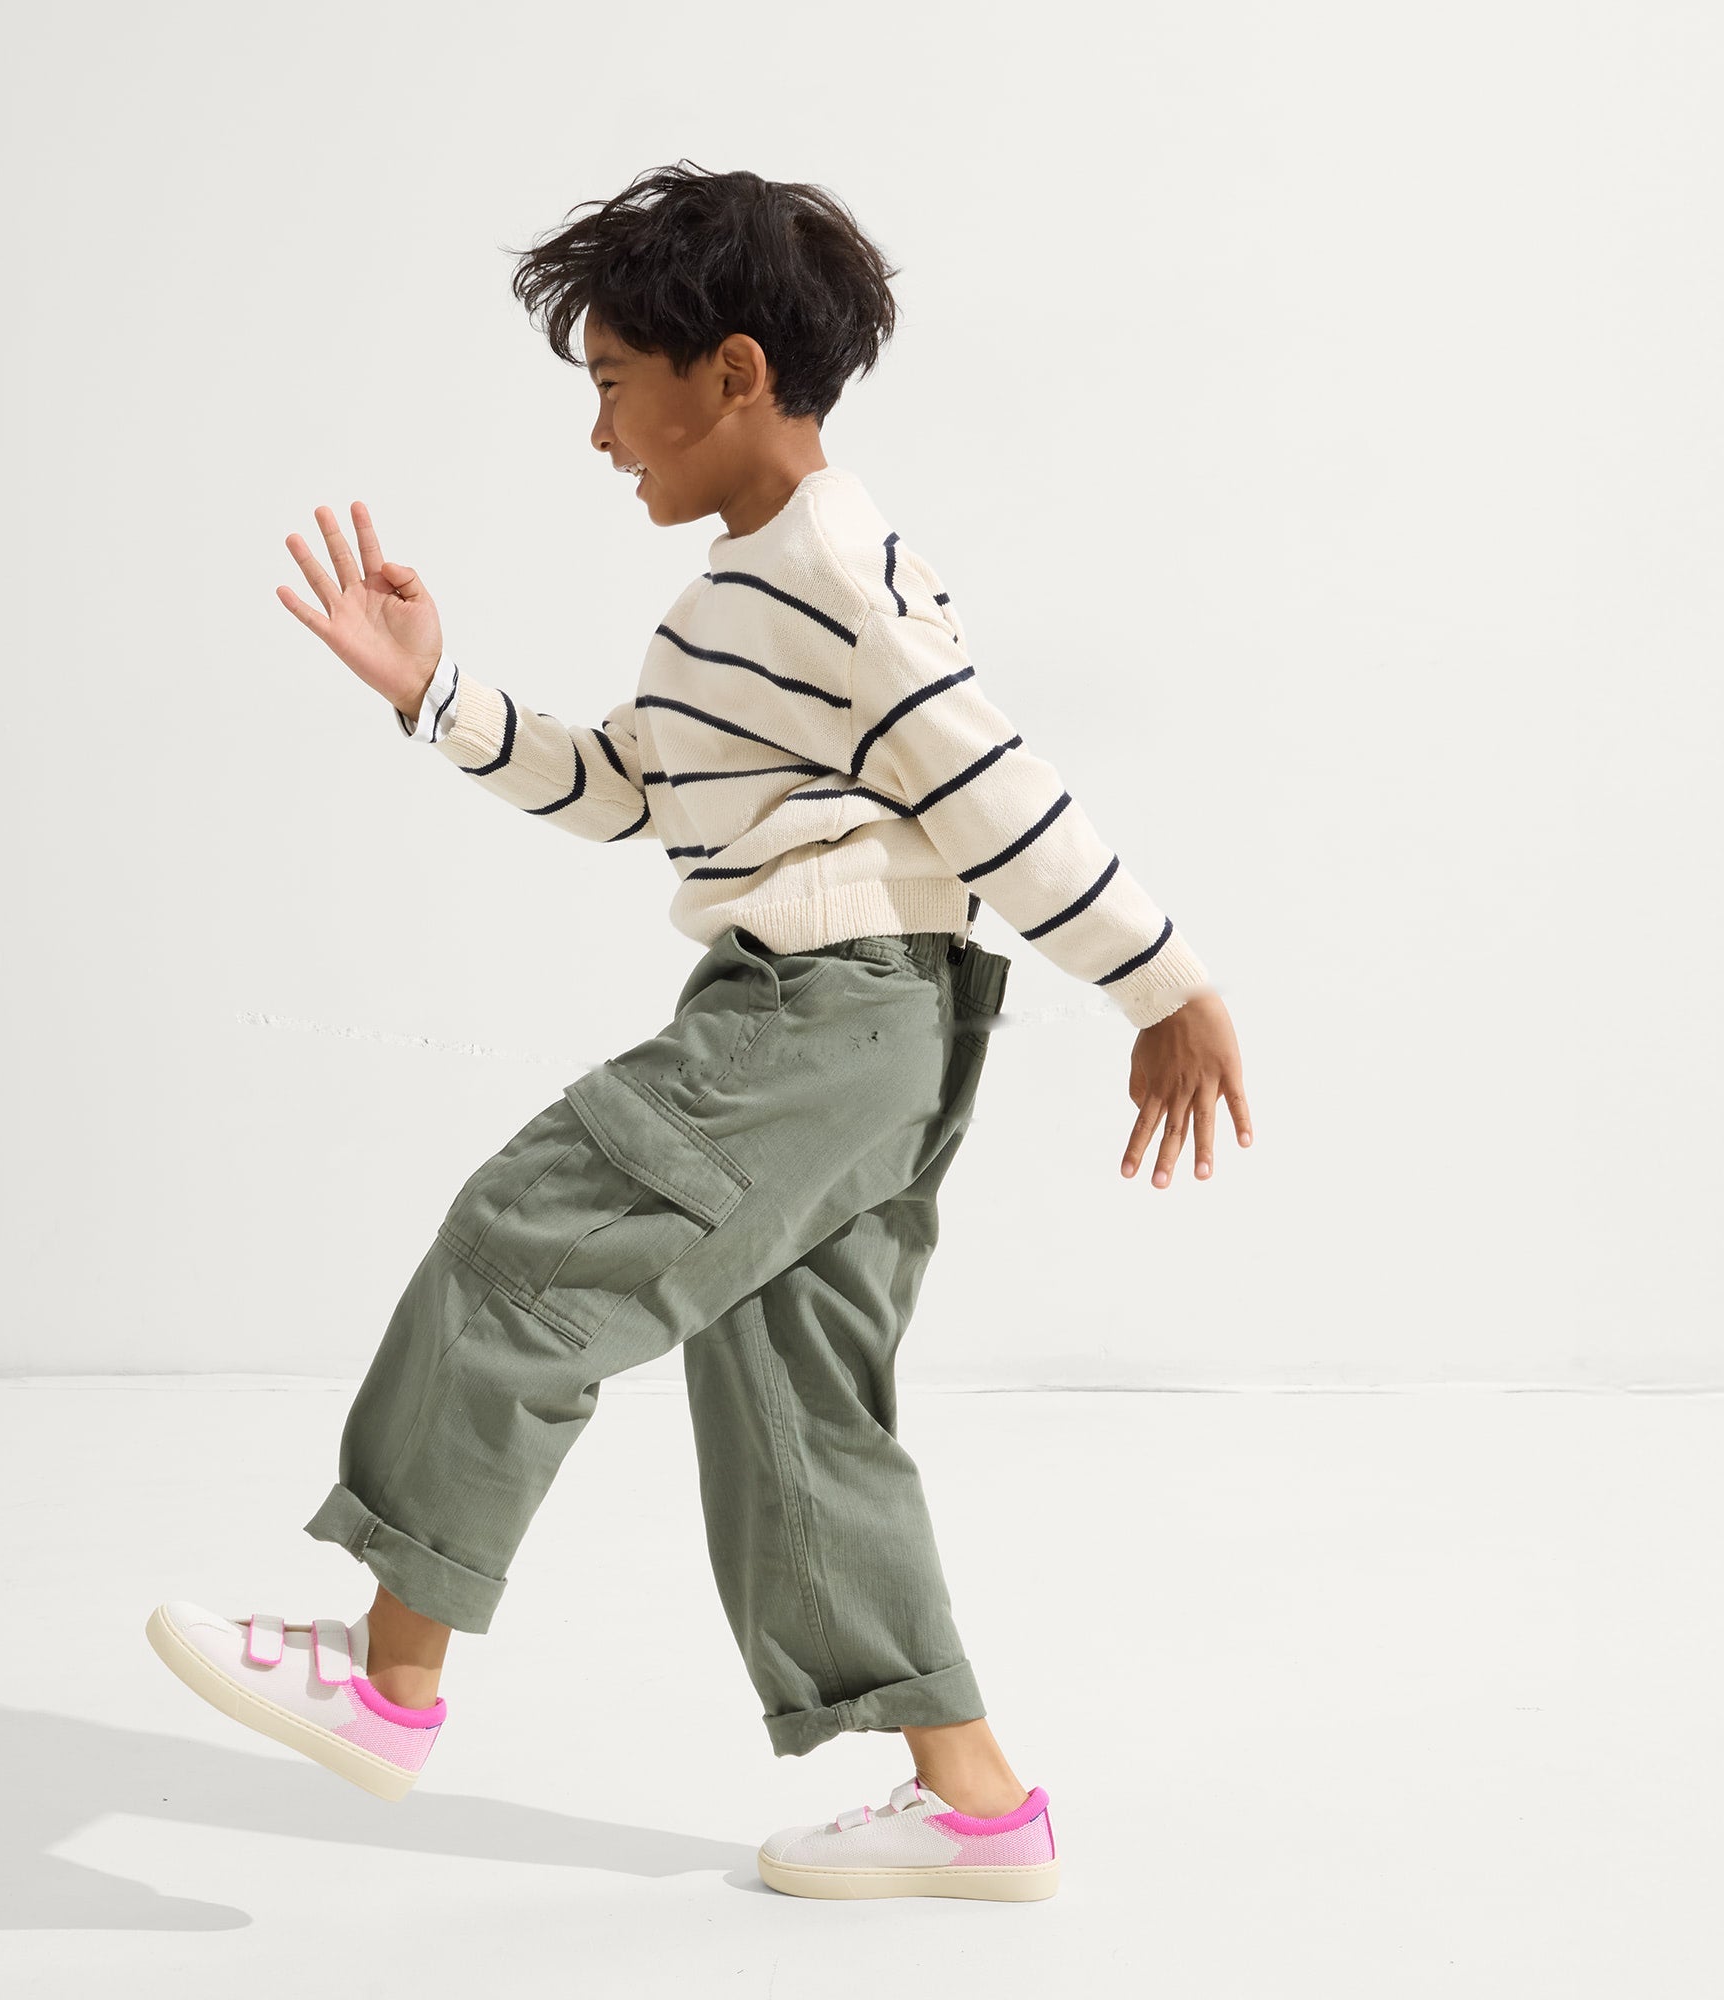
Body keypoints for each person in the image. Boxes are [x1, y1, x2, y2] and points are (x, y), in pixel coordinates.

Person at [146, 160, 1252, 1903]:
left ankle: (390, 1676)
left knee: (527, 1244)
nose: (599, 436)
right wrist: (436, 693)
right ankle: (975, 1809)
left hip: (824, 1013)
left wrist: (1162, 982)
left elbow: (992, 785)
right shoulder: (745, 595)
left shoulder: (835, 577)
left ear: (733, 374)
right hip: (871, 1028)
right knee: (797, 1399)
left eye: (611, 384)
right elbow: (631, 791)